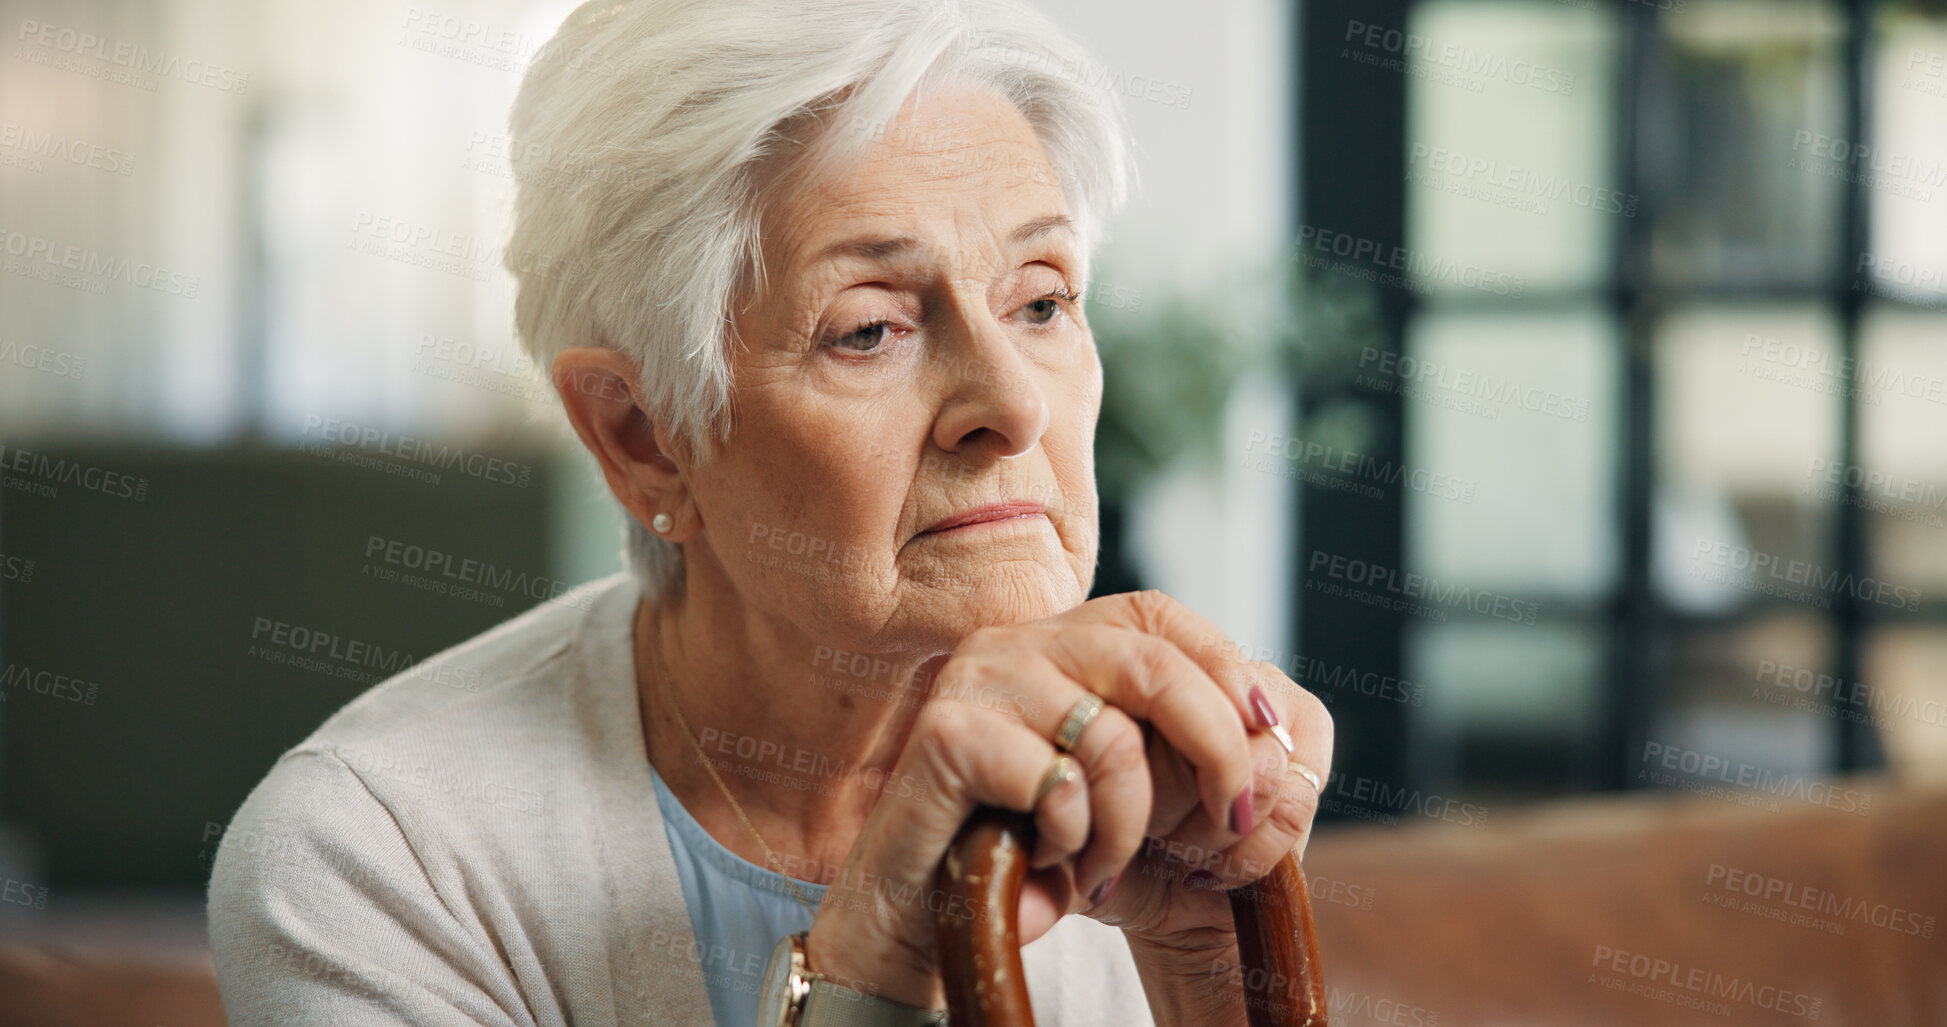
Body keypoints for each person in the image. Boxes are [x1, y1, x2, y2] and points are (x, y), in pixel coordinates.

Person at [208, 1, 1334, 1023]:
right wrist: (875, 961)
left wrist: (1206, 969)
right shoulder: (374, 858)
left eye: (1041, 300)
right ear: (644, 440)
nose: (1013, 405)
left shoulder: (1133, 791)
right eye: (868, 329)